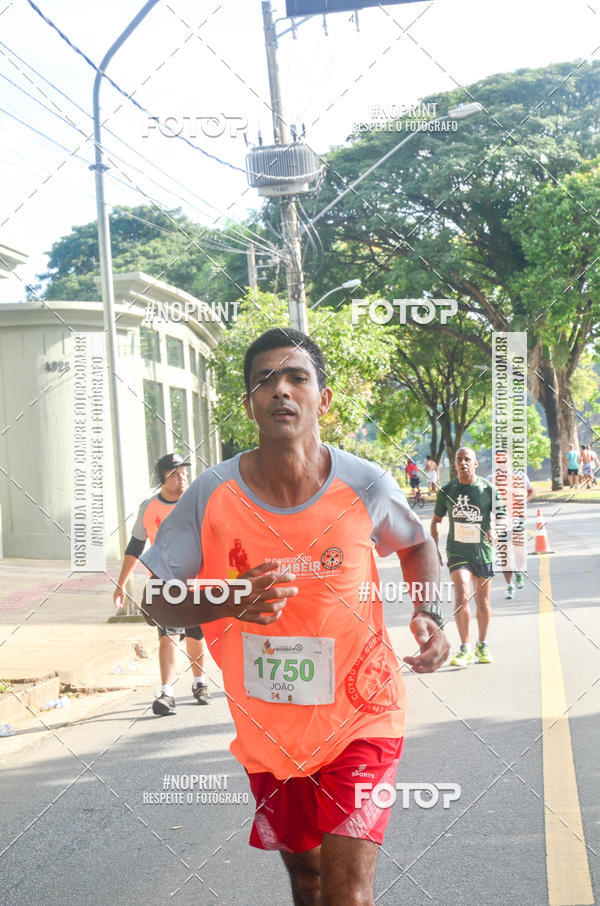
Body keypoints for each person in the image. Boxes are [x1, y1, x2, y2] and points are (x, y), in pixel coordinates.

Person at [140, 328, 449, 906]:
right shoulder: (211, 494)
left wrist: (430, 611)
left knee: (348, 892)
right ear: (249, 403)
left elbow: (415, 544)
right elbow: (155, 597)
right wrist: (229, 600)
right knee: (307, 881)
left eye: (296, 378)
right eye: (264, 380)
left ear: (322, 399)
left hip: (364, 714)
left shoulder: (366, 483)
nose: (280, 390)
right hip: (270, 730)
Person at [113, 453, 211, 715]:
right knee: (168, 634)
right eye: (175, 473)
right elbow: (135, 547)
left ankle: (199, 682)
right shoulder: (149, 507)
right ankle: (167, 691)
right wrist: (122, 583)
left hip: (196, 579)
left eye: (184, 473)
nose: (182, 477)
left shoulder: (197, 503)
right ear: (163, 477)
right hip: (164, 579)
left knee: (194, 634)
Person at [430, 447, 505, 667]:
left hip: (482, 551)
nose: (463, 463)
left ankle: (482, 643)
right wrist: (434, 548)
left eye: (467, 459)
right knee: (462, 591)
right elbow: (436, 521)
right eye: (459, 459)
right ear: (455, 464)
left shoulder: (487, 489)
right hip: (457, 551)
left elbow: (502, 517)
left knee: (482, 600)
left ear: (475, 463)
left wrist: (497, 531)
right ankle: (465, 647)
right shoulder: (447, 490)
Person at [487, 452, 534, 599]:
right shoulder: (490, 479)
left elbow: (531, 492)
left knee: (519, 552)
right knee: (504, 555)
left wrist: (524, 502)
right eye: (498, 461)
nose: (501, 463)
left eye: (504, 460)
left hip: (518, 519)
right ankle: (509, 585)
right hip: (500, 522)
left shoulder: (520, 476)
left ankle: (519, 572)